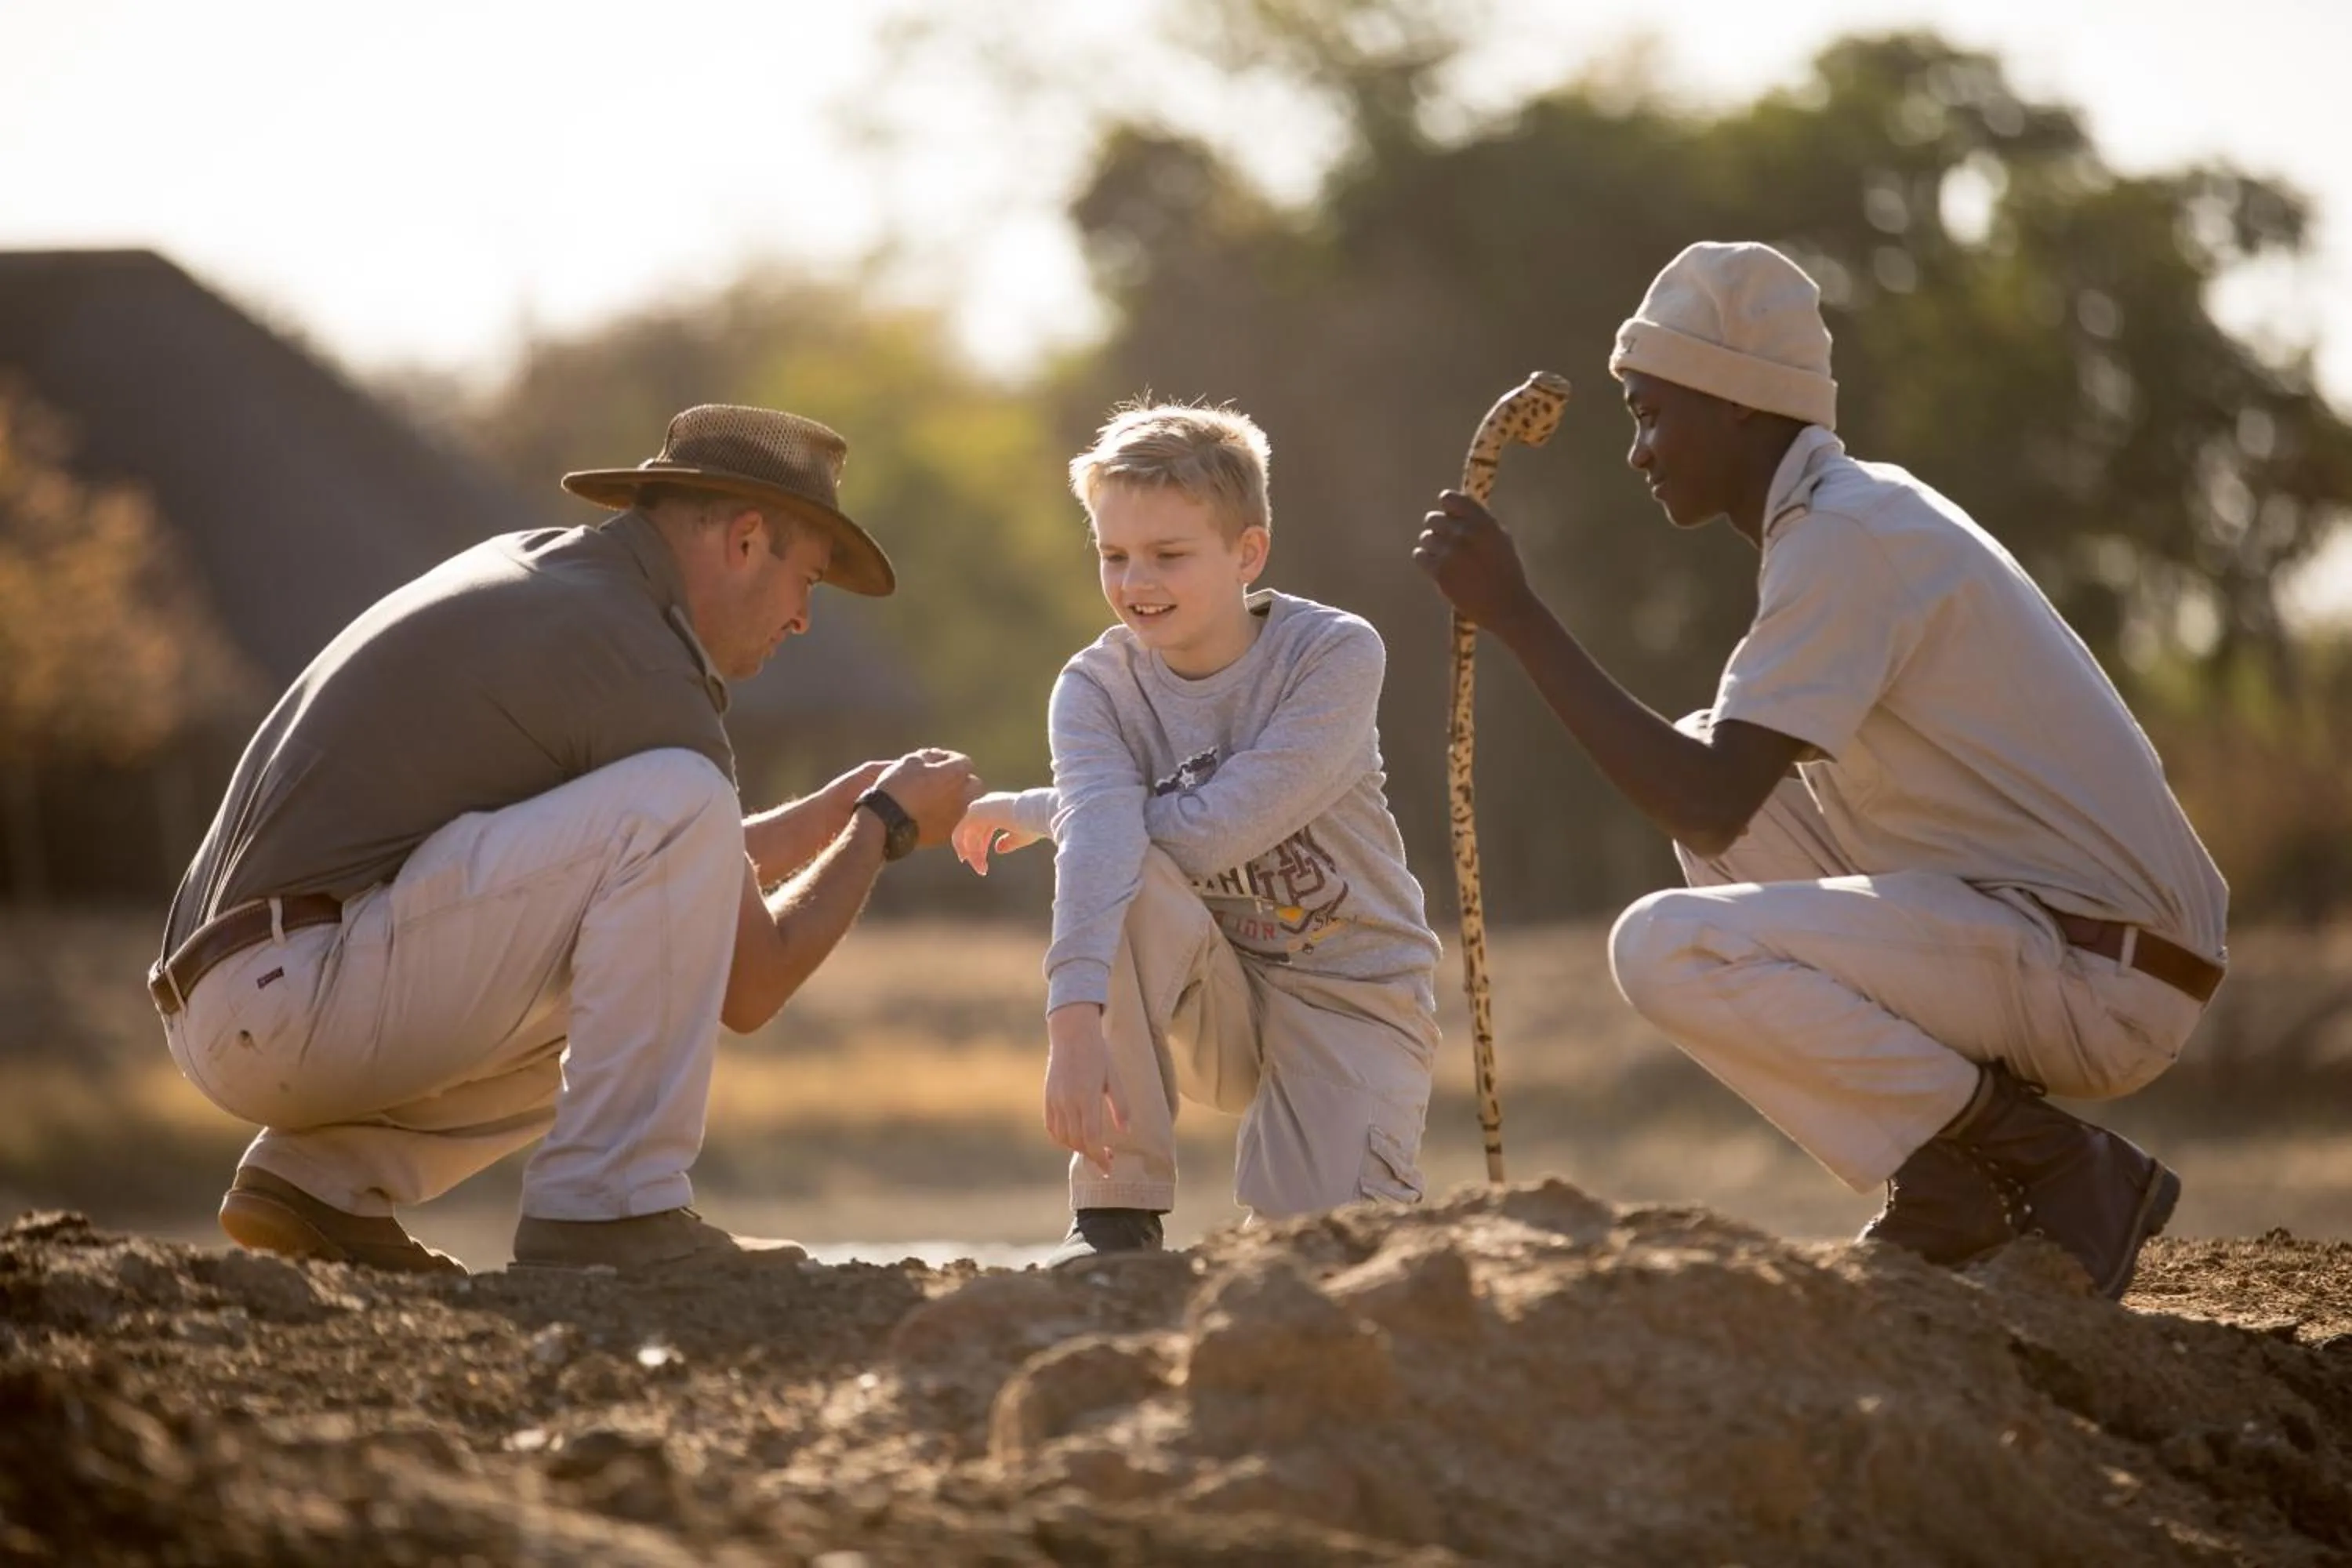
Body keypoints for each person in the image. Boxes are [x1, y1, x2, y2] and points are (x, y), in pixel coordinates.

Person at [1412, 242, 2228, 1301]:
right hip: (2047, 934)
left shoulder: (1847, 537)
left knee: (1664, 943)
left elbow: (1705, 790)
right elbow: (1718, 808)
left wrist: (1518, 617)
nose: (1638, 452)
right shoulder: (1845, 517)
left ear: (1740, 404)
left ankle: (2056, 1165)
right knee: (1723, 811)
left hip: (2101, 972)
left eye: (1653, 414)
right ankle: (1950, 1184)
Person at [150, 404, 981, 1275]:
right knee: (679, 817)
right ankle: (610, 1207)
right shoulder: (638, 652)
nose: (806, 616)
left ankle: (316, 1181)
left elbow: (658, 884)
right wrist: (881, 830)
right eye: (807, 577)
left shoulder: (564, 584)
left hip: (252, 991)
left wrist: (829, 815)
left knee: (647, 926)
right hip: (294, 994)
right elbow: (747, 980)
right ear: (744, 541)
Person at [953, 402, 1443, 1265]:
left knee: (1320, 1257)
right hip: (1211, 986)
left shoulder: (1331, 655)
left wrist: (1049, 811)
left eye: (1169, 555)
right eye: (1113, 555)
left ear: (1247, 552)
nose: (1137, 580)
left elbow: (1220, 827)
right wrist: (1072, 1022)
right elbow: (1107, 846)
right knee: (1117, 870)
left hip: (1352, 992)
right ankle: (1116, 1219)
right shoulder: (1095, 687)